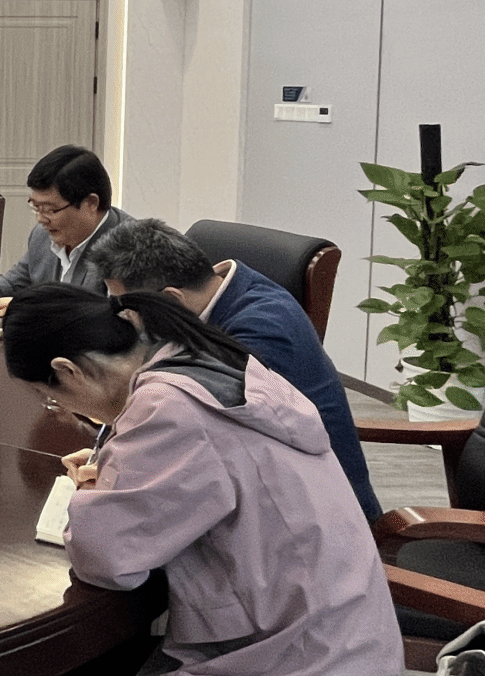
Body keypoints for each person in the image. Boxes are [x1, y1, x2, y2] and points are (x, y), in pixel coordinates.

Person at [1, 284, 400, 676]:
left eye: (50, 398)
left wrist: (92, 490)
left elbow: (107, 559)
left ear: (67, 370)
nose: (59, 408)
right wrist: (122, 465)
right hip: (347, 643)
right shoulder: (199, 357)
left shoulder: (167, 407)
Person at [88, 218, 381, 521]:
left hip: (319, 517)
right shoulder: (221, 291)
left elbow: (196, 435)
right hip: (258, 483)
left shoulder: (261, 333)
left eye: (129, 310)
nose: (127, 320)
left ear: (171, 299)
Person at [0, 144, 128, 314]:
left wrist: (31, 310)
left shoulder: (128, 247)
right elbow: (16, 283)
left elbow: (112, 319)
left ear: (91, 203)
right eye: (36, 206)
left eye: (50, 209)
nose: (41, 219)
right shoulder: (42, 235)